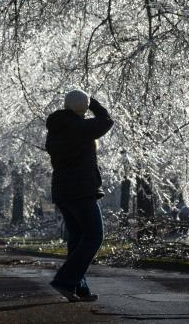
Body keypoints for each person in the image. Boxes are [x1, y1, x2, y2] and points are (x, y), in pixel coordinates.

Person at [45, 89, 114, 303]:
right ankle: (65, 281)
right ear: (82, 108)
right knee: (94, 236)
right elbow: (106, 121)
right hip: (81, 191)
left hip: (63, 192)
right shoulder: (79, 128)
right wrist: (93, 102)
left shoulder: (57, 129)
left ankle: (78, 288)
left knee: (77, 239)